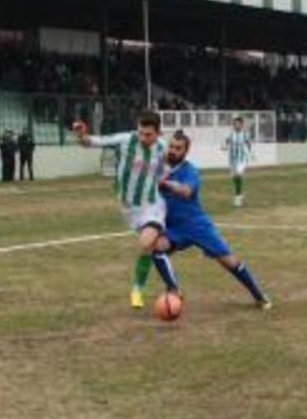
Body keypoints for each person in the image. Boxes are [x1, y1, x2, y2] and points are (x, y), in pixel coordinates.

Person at [153, 130, 272, 310]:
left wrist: (164, 183)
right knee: (155, 247)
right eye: (171, 146)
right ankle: (173, 289)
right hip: (174, 228)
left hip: (196, 224)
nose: (173, 151)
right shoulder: (158, 168)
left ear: (185, 151)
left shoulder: (189, 170)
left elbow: (186, 191)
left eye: (178, 148)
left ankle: (258, 296)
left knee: (229, 262)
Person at [75, 111, 178, 309]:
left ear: (158, 133)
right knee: (150, 247)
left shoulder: (161, 147)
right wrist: (82, 136)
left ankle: (137, 289)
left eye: (148, 134)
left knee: (147, 243)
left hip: (152, 205)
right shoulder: (124, 140)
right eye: (140, 133)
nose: (143, 138)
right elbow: (93, 142)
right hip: (128, 208)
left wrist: (164, 180)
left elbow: (164, 168)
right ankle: (168, 262)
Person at [223, 116, 252, 207]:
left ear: (242, 125)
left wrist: (250, 153)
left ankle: (237, 199)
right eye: (235, 124)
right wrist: (224, 146)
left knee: (238, 175)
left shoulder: (245, 134)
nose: (237, 125)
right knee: (235, 178)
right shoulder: (230, 135)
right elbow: (225, 143)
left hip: (241, 159)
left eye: (239, 124)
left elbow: (248, 144)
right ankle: (240, 194)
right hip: (232, 160)